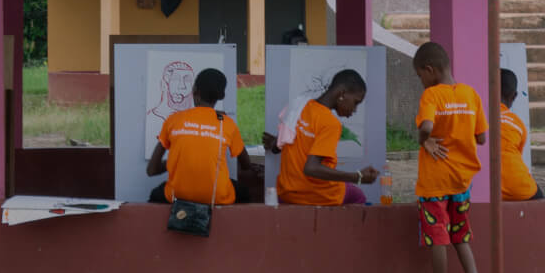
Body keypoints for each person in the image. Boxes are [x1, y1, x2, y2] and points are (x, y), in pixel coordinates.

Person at [413, 41, 490, 273]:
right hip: (461, 183)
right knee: (461, 238)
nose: (421, 81)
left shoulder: (431, 95)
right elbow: (481, 137)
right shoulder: (471, 94)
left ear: (429, 70)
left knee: (438, 240)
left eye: (420, 75)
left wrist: (425, 140)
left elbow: (426, 127)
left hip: (434, 184)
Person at [263, 69, 378, 206]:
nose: (354, 110)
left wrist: (274, 143)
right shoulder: (330, 123)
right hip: (318, 194)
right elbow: (311, 168)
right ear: (342, 94)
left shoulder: (299, 105)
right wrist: (357, 177)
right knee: (358, 196)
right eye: (356, 102)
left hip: (287, 193)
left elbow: (279, 144)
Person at [147, 67, 257, 205]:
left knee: (155, 195)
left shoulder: (174, 120)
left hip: (178, 196)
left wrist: (176, 161)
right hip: (217, 197)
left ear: (194, 90)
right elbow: (246, 164)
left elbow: (151, 170)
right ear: (221, 96)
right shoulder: (227, 123)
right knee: (244, 193)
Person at [498, 68, 540, 201]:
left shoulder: (478, 116)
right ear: (514, 96)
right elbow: (516, 155)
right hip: (521, 189)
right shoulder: (517, 123)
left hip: (487, 191)